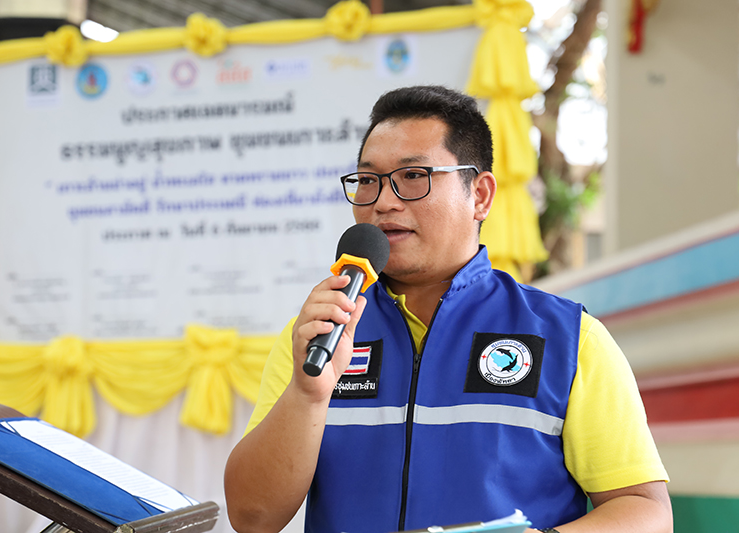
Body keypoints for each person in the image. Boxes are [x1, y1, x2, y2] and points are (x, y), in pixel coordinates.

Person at [224, 85, 672, 533]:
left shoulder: (570, 337)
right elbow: (251, 517)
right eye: (367, 180)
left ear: (479, 195)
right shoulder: (320, 332)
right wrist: (308, 394)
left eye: (413, 175)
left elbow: (646, 512)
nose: (383, 200)